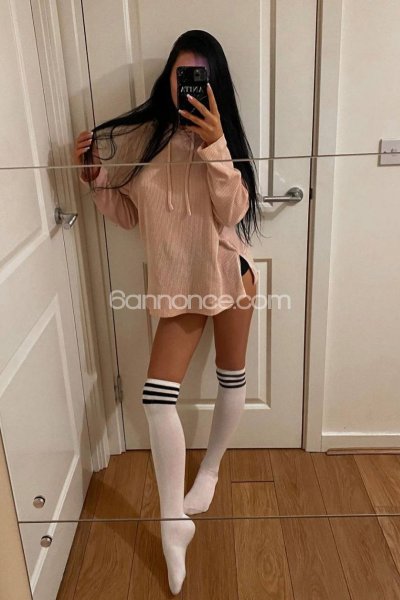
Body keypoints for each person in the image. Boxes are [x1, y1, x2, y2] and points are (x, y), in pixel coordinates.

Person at [74, 29, 265, 596]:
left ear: (215, 84)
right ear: (169, 79)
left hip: (229, 274)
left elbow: (234, 210)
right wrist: (96, 179)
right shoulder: (143, 140)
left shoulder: (221, 138)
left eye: (200, 76)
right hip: (178, 286)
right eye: (183, 75)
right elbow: (132, 216)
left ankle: (210, 470)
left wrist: (216, 145)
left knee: (232, 377)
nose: (189, 86)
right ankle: (171, 521)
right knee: (158, 398)